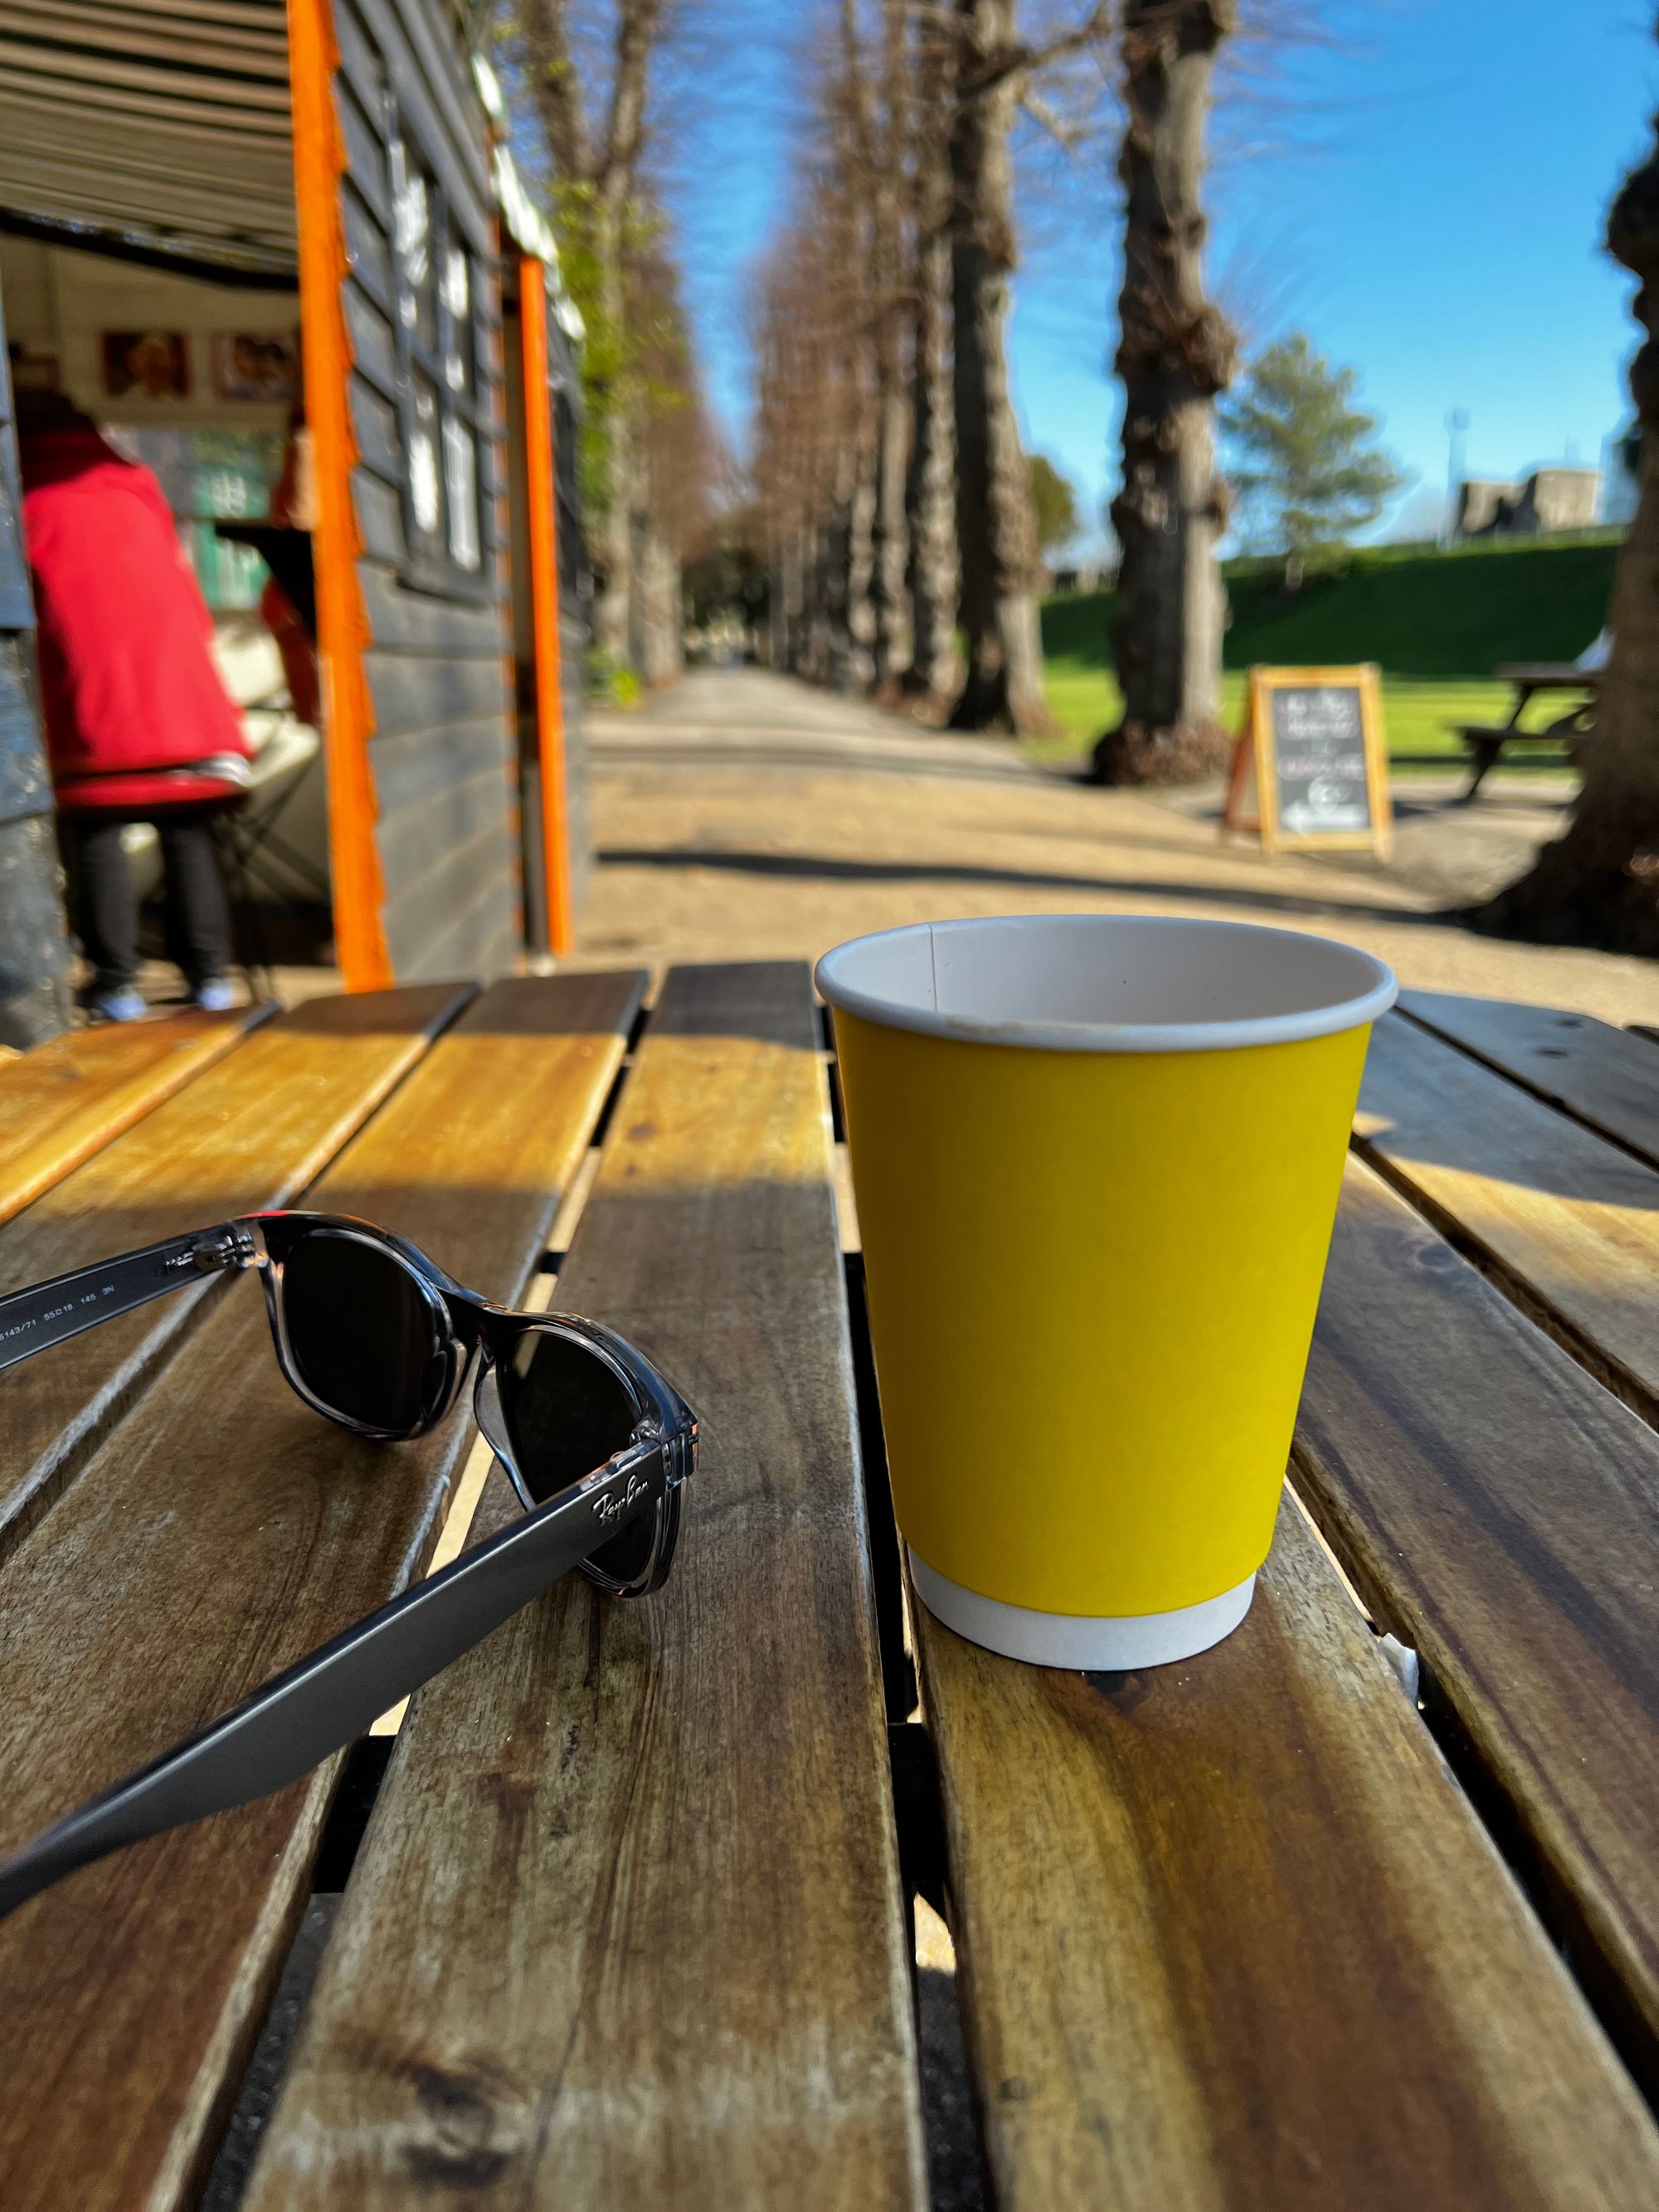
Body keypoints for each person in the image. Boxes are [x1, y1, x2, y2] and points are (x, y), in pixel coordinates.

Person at [16, 389, 251, 1020]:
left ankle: (117, 982)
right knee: (188, 830)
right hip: (182, 706)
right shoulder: (132, 487)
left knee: (95, 833)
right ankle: (211, 977)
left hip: (95, 710)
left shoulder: (26, 500)